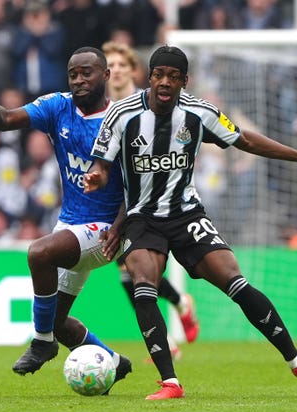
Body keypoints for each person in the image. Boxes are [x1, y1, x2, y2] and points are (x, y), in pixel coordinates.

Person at [84, 45, 297, 400]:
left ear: (184, 81)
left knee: (235, 281)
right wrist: (97, 178)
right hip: (142, 217)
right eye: (159, 75)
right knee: (142, 284)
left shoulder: (199, 112)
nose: (165, 82)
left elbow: (244, 139)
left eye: (173, 77)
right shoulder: (122, 114)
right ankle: (170, 382)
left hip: (186, 213)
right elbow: (102, 165)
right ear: (149, 77)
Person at [0, 46, 132, 392]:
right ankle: (114, 362)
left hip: (107, 230)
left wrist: (120, 227)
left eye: (86, 73)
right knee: (57, 321)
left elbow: (138, 185)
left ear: (105, 76)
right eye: (73, 74)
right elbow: (6, 120)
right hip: (70, 224)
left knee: (39, 253)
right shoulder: (57, 106)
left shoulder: (123, 121)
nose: (79, 80)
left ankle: (42, 343)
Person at [103, 40, 200, 356]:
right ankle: (178, 308)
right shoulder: (105, 109)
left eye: (121, 65)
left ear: (134, 71)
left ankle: (168, 336)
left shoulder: (150, 102)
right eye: (110, 65)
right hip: (116, 197)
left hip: (149, 200)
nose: (116, 70)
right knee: (129, 275)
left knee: (134, 273)